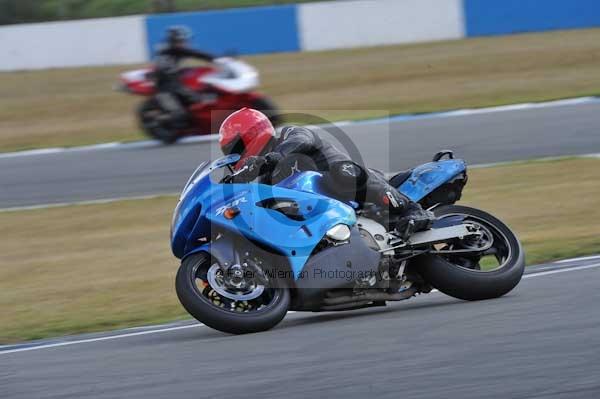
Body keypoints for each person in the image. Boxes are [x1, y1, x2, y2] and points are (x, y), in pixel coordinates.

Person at [218, 108, 435, 235]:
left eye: (235, 148)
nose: (235, 155)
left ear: (253, 133)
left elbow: (302, 140)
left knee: (343, 172)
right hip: (327, 218)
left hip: (350, 183)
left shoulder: (289, 134)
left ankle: (411, 209)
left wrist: (272, 158)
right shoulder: (265, 180)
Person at [153, 26, 216, 127]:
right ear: (173, 41)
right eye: (182, 41)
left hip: (177, 84)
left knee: (205, 93)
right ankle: (159, 120)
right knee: (179, 115)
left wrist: (217, 59)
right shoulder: (165, 52)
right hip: (165, 89)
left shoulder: (175, 50)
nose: (185, 43)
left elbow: (197, 54)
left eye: (185, 41)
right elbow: (165, 72)